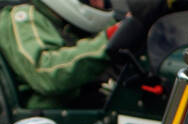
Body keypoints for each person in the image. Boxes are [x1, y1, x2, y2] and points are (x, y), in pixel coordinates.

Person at [0, 0, 167, 107]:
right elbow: (46, 73)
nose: (100, 2)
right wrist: (111, 39)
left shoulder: (102, 23)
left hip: (103, 118)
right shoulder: (22, 17)